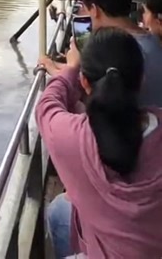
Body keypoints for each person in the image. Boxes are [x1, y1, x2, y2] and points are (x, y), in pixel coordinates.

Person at [36, 28, 162, 259]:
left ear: (84, 81)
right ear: (141, 80)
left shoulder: (73, 138)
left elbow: (46, 107)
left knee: (60, 209)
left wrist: (70, 70)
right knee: (60, 210)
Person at [41, 0, 162, 107]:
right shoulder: (151, 40)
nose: (82, 12)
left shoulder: (121, 50)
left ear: (94, 9)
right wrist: (59, 66)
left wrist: (57, 69)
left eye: (84, 7)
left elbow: (92, 91)